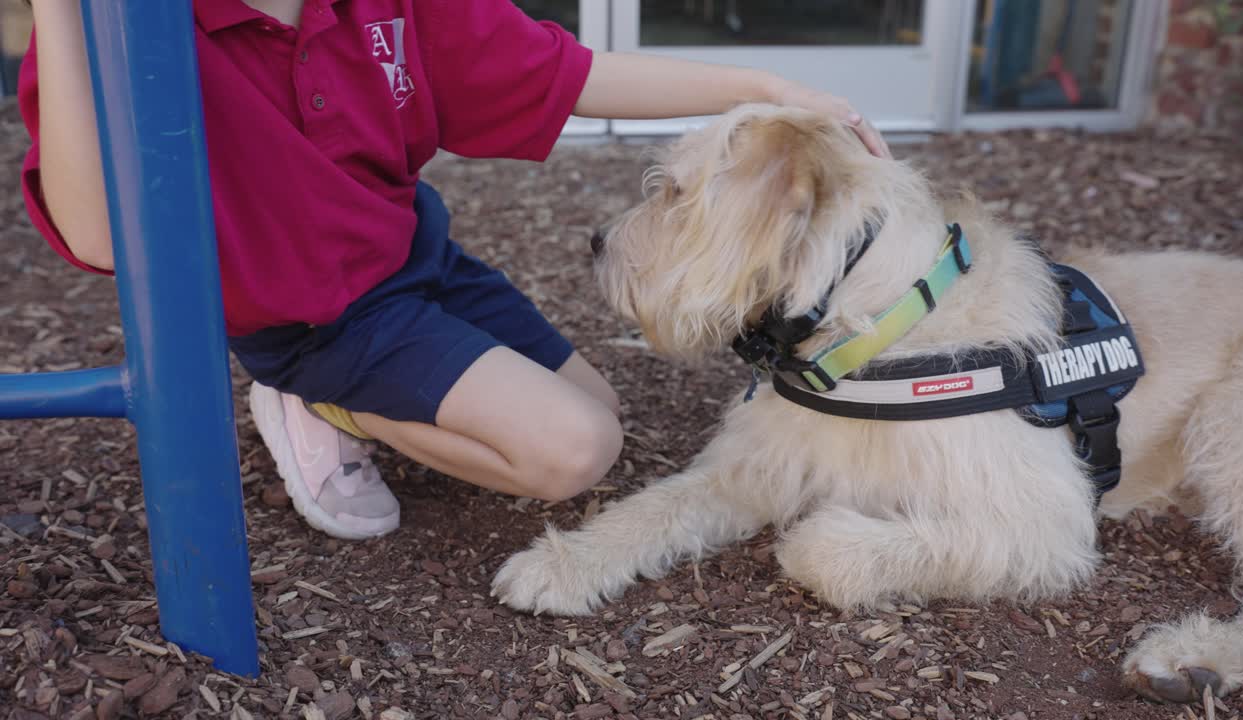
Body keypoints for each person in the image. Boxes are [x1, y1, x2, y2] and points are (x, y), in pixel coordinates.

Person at [19, 0, 892, 541]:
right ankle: (310, 399)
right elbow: (99, 235)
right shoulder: (139, 26)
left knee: (601, 410)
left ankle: (358, 394)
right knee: (574, 454)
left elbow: (571, 73)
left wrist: (770, 90)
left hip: (410, 261)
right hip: (312, 314)